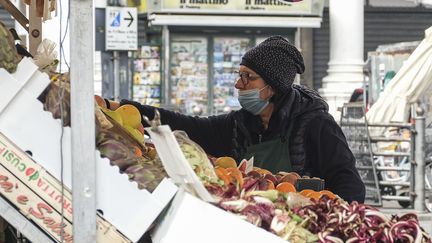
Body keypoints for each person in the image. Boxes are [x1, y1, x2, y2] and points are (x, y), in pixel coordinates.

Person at [109, 36, 365, 203]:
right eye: (239, 74)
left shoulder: (315, 124)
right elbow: (186, 125)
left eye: (248, 77)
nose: (237, 84)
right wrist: (123, 108)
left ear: (273, 87)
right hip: (255, 226)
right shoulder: (239, 125)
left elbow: (351, 186)